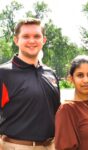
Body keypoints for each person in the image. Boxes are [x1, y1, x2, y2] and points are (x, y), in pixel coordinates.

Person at [0, 18, 60, 150]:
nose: (32, 41)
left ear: (43, 40)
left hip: (50, 146)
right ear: (16, 40)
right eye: (26, 36)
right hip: (15, 146)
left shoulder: (51, 74)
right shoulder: (3, 73)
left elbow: (56, 113)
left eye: (37, 36)